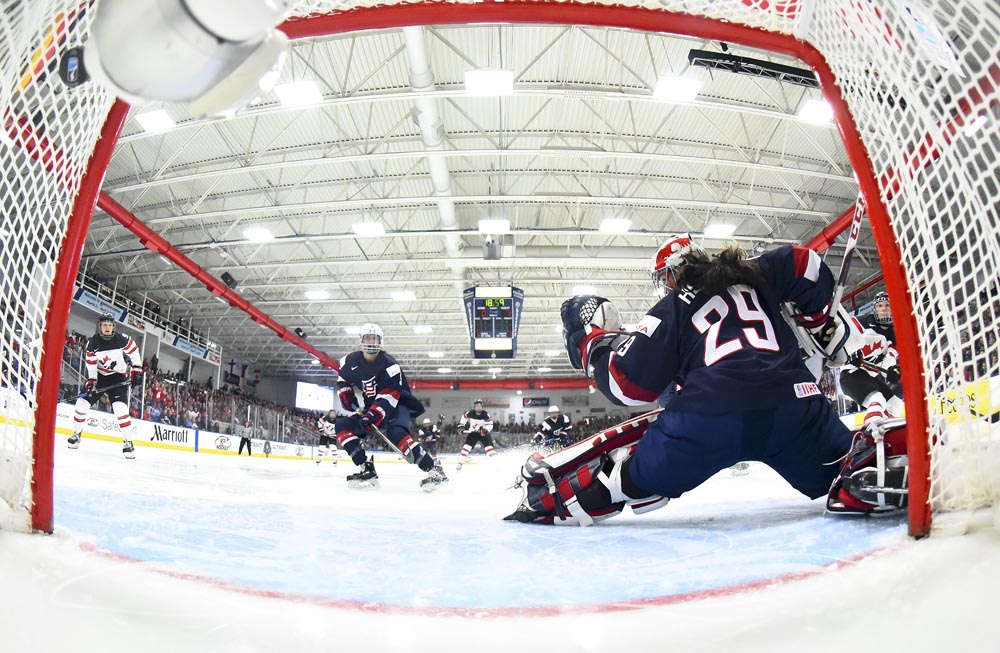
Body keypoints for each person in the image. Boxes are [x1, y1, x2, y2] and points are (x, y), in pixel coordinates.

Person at [506, 234, 906, 525]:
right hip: (794, 407)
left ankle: (562, 501)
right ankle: (867, 467)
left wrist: (589, 341)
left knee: (624, 479)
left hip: (708, 418)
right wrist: (818, 319)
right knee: (840, 472)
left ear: (672, 274)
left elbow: (626, 385)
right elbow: (807, 265)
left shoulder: (672, 306)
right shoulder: (760, 274)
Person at [333, 323, 448, 491]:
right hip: (372, 409)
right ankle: (366, 468)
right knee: (342, 426)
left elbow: (390, 396)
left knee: (396, 434)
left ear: (380, 341)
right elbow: (343, 379)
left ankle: (434, 470)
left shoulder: (390, 365)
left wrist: (372, 415)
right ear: (361, 340)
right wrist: (346, 395)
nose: (371, 342)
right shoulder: (349, 361)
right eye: (368, 338)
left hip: (397, 406)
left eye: (375, 338)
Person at [67, 312, 142, 458]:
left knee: (120, 409)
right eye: (104, 325)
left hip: (118, 377)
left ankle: (128, 442)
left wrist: (137, 369)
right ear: (100, 326)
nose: (107, 327)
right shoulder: (92, 343)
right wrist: (91, 381)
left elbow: (134, 352)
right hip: (100, 376)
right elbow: (91, 364)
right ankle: (76, 434)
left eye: (109, 325)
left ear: (113, 327)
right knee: (81, 403)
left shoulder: (121, 339)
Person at [837, 291, 904, 426]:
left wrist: (891, 370)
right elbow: (843, 338)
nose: (884, 308)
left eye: (887, 305)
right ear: (875, 309)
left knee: (896, 406)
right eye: (880, 305)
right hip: (852, 373)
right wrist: (851, 352)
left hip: (872, 376)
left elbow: (890, 356)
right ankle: (872, 429)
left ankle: (885, 427)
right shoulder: (861, 322)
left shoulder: (895, 334)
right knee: (877, 399)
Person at [456, 398, 496, 470]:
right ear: (474, 407)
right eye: (477, 405)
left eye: (480, 405)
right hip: (472, 434)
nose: (478, 407)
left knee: (489, 449)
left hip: (483, 434)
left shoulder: (486, 415)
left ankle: (496, 464)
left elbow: (490, 424)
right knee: (466, 447)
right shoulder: (470, 413)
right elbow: (463, 419)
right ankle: (460, 463)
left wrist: (485, 430)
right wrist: (461, 427)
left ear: (482, 407)